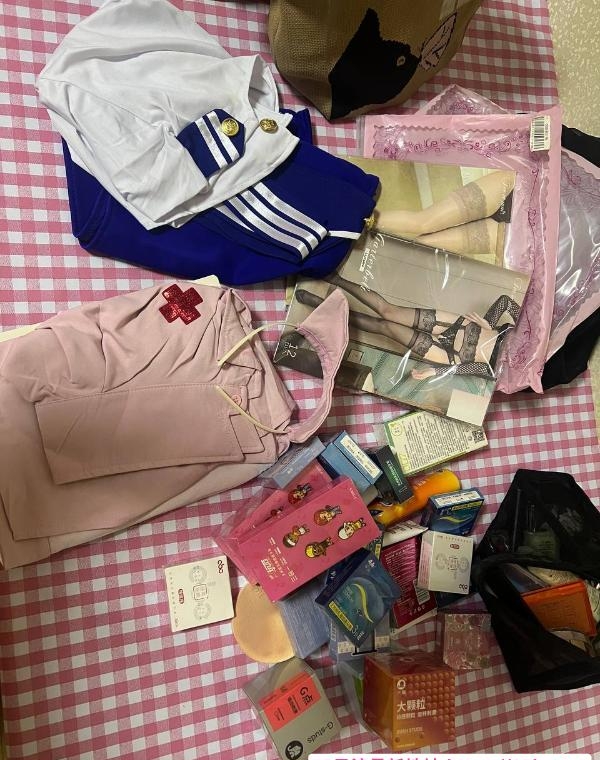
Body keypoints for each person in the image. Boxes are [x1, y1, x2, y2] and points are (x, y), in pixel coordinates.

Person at [296, 273, 521, 380]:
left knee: (384, 327)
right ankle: (335, 279)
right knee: (389, 311)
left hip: (452, 356)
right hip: (463, 327)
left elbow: (479, 371)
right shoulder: (535, 339)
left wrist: (434, 371)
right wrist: (490, 325)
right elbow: (507, 302)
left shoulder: (519, 378)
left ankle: (320, 305)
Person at [375, 169, 515, 261]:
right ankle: (362, 218)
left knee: (422, 246)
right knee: (423, 223)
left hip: (515, 237)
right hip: (514, 191)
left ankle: (366, 259)